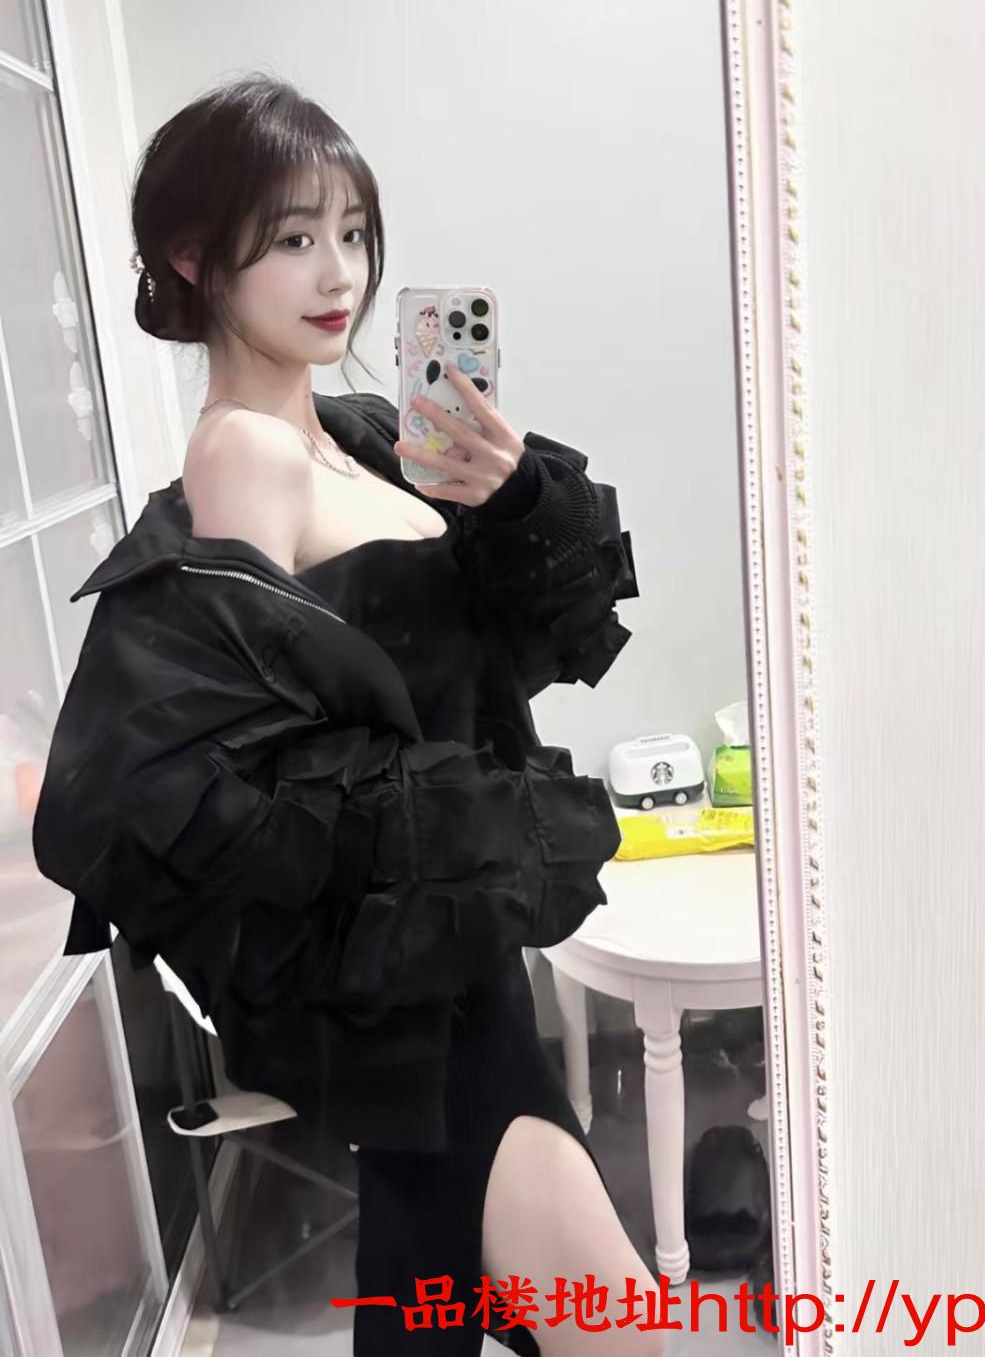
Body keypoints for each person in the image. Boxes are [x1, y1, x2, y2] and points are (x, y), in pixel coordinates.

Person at [32, 73, 665, 1356]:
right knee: (622, 1333)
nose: (341, 273)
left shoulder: (367, 433)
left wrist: (507, 497)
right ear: (194, 256)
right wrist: (453, 824)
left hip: (464, 966)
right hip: (423, 1002)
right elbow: (256, 762)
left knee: (433, 1292)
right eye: (294, 238)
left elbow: (506, 648)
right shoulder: (246, 455)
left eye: (354, 231)